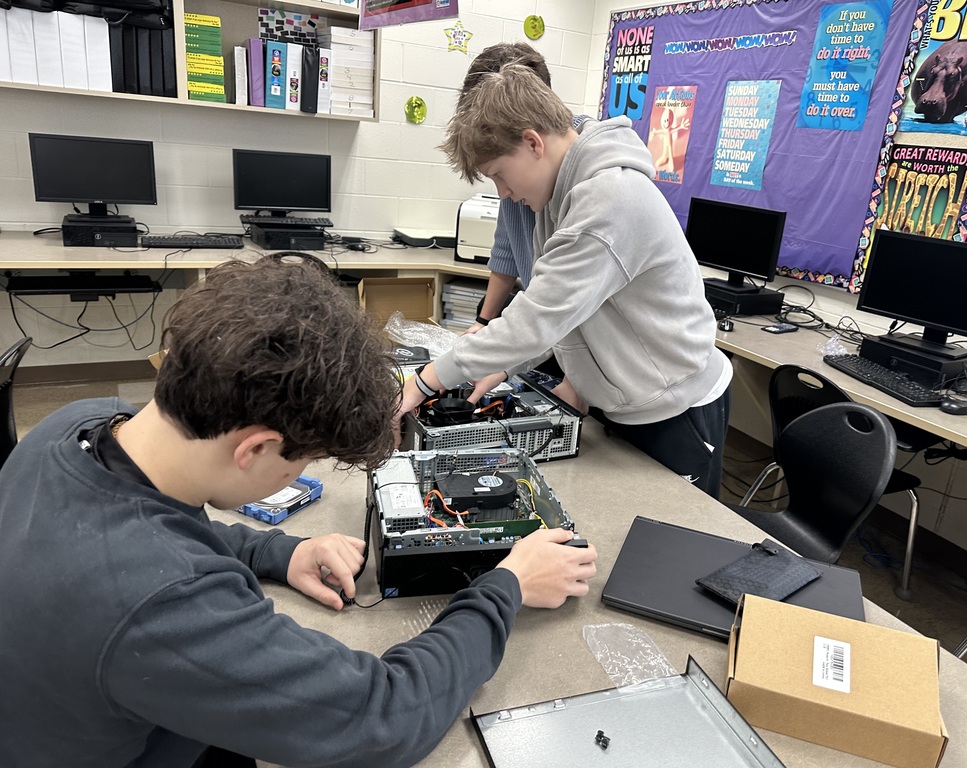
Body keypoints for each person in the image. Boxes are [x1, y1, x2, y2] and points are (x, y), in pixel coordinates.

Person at [0, 256, 597, 767]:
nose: (300, 474)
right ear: (256, 447)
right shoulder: (159, 605)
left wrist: (278, 551)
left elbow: (161, 526)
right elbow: (383, 716)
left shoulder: (78, 424)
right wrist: (507, 587)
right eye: (302, 461)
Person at [398, 65, 732, 499]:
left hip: (677, 409)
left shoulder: (609, 199)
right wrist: (502, 364)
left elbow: (537, 319)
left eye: (499, 173)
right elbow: (555, 308)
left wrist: (426, 380)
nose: (501, 192)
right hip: (630, 403)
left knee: (669, 549)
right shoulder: (560, 199)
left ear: (533, 143)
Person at [459, 42, 587, 336]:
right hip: (550, 329)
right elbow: (507, 246)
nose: (505, 193)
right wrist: (483, 321)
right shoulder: (523, 173)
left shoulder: (590, 185)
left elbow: (569, 302)